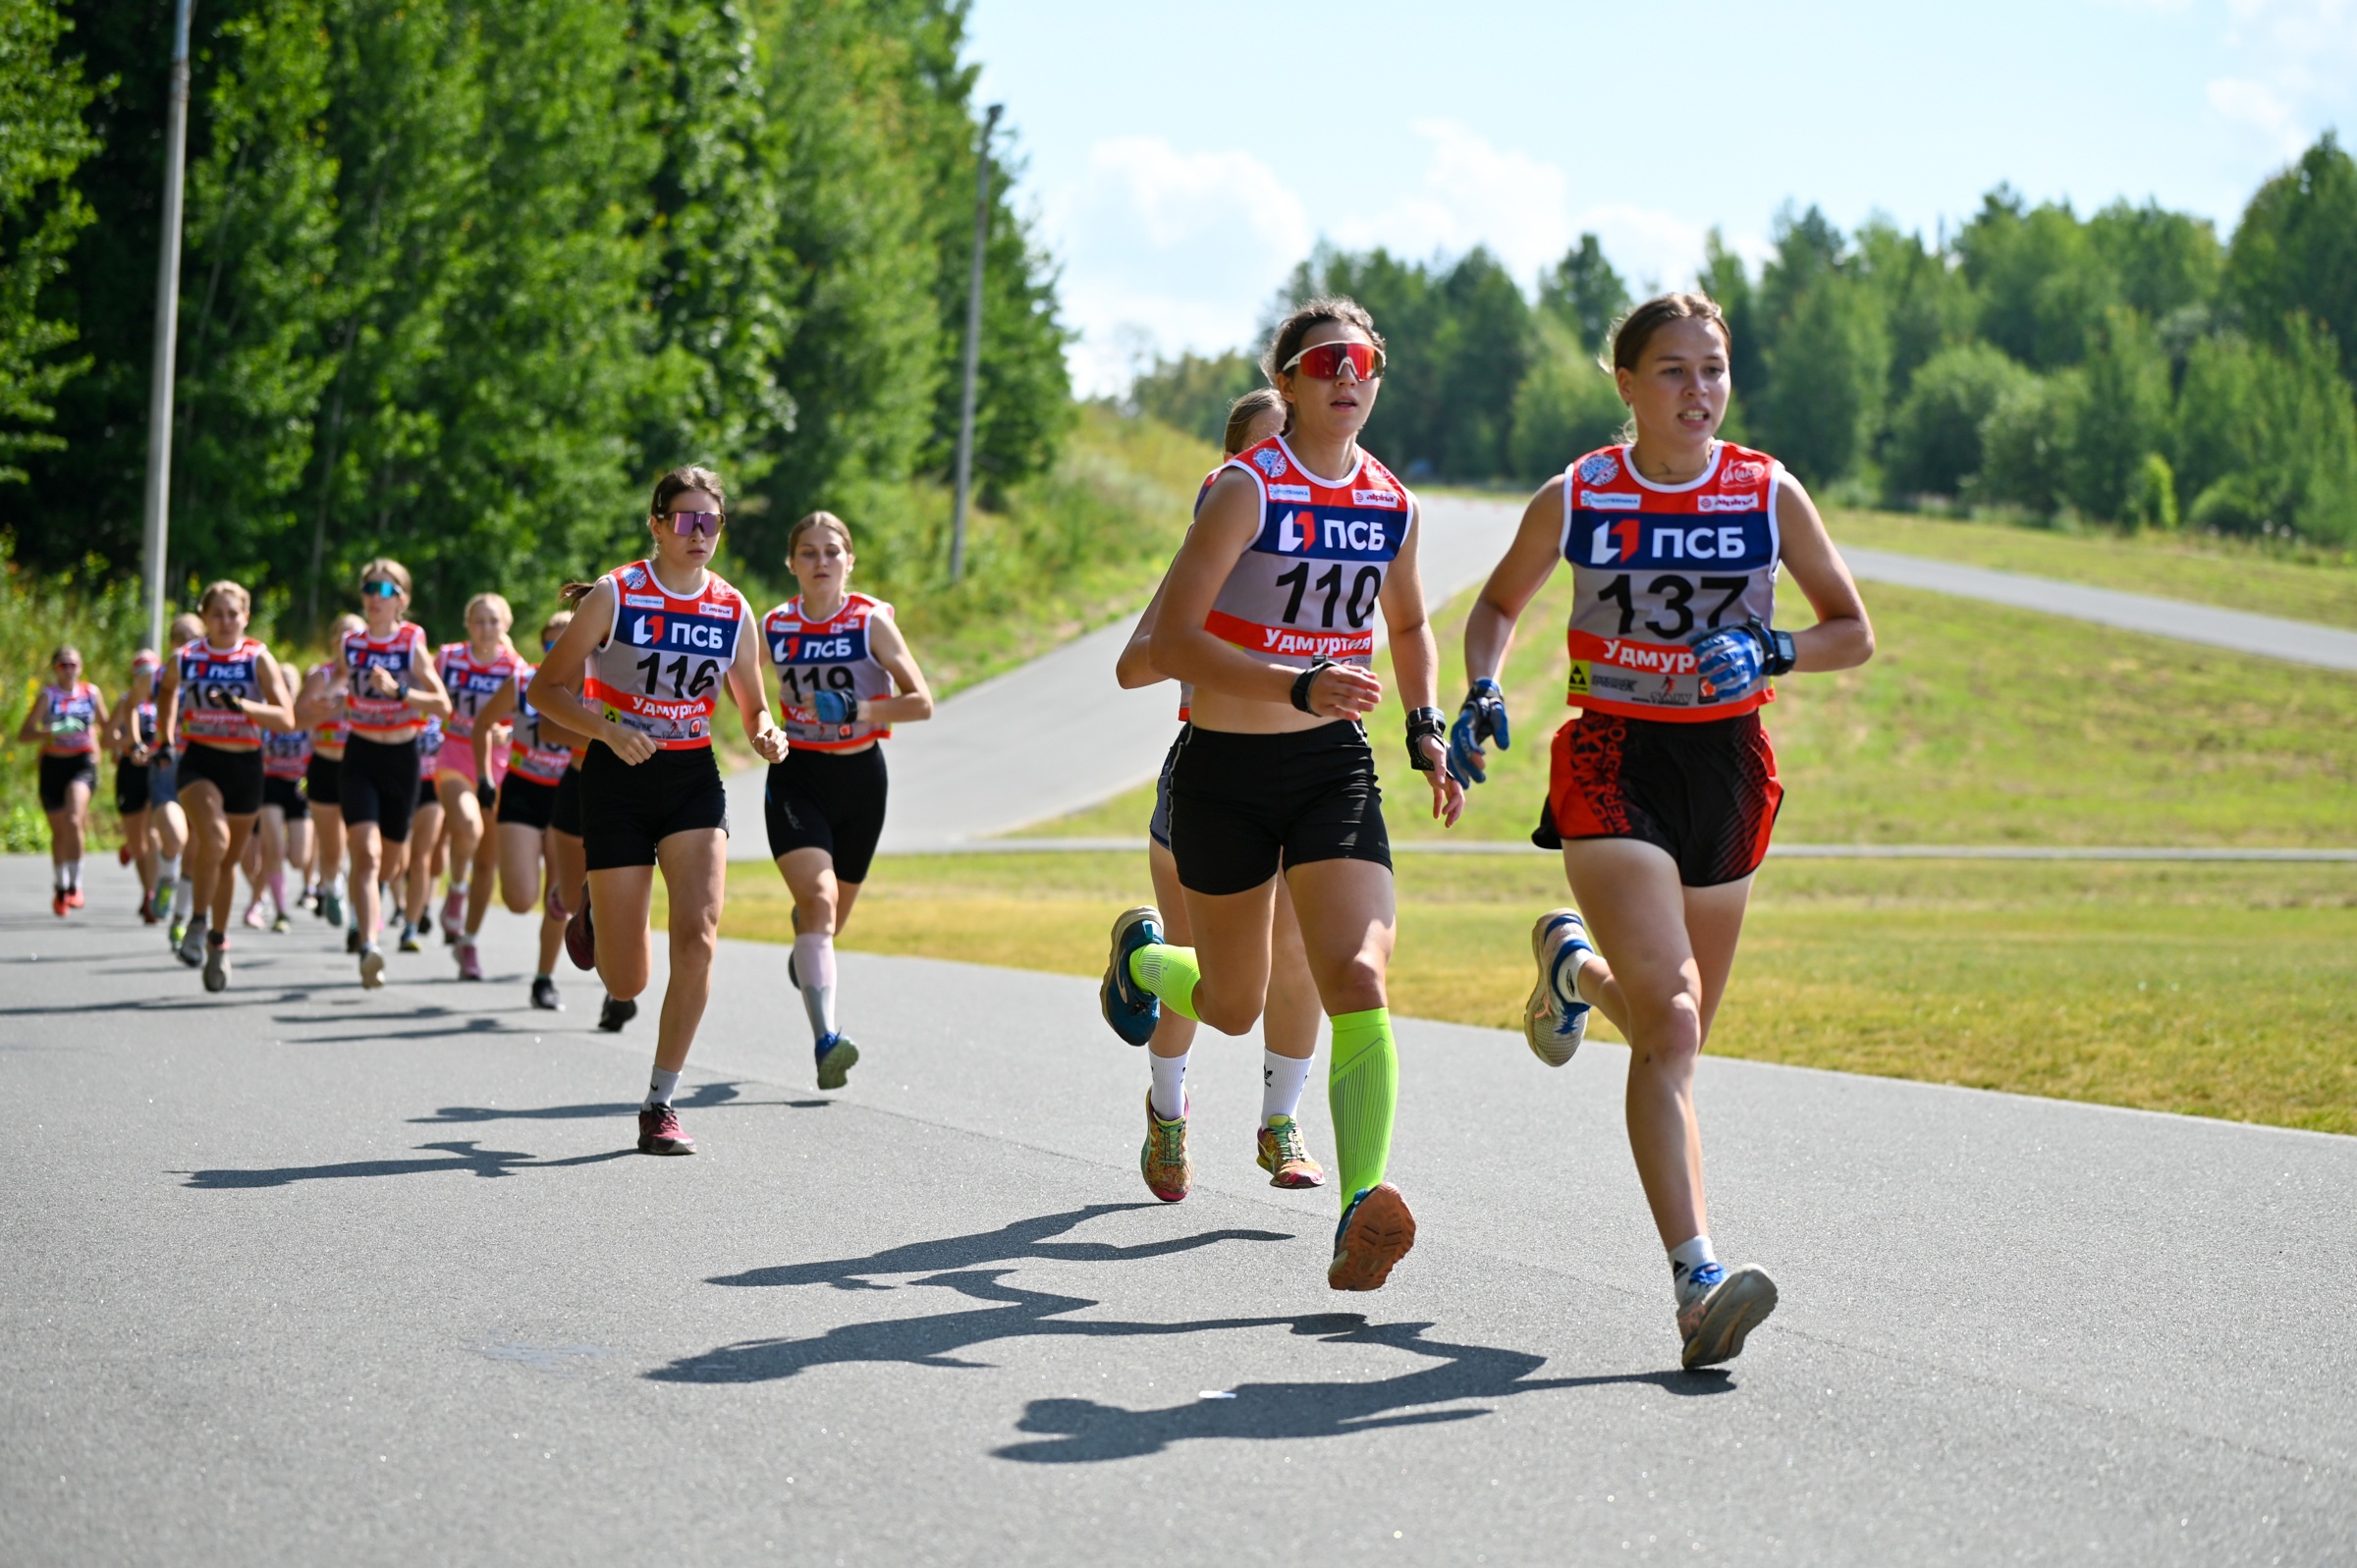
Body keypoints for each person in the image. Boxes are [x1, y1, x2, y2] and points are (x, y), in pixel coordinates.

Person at [1452, 292, 1874, 1370]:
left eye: (1715, 368)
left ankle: (1569, 968)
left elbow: (1850, 632)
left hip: (1727, 765)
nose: (1699, 390)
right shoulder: (1582, 491)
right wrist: (1484, 686)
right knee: (1676, 1023)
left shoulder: (1767, 490)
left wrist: (1774, 652)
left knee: (1662, 1031)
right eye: (1675, 370)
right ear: (1627, 383)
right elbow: (1498, 605)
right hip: (1613, 756)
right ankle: (1697, 1282)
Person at [1099, 298, 1464, 1291]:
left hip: (1332, 769)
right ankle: (1145, 960)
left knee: (1357, 975)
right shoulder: (1243, 490)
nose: (1351, 374)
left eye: (1368, 359)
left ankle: (1360, 1210)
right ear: (1291, 380)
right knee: (1229, 1003)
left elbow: (1413, 623)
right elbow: (1167, 643)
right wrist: (1293, 681)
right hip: (1226, 771)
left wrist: (1426, 727)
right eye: (1327, 360)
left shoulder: (1393, 502)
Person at [530, 465, 789, 1155]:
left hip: (690, 777)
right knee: (627, 977)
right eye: (685, 519)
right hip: (616, 774)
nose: (698, 532)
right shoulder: (617, 595)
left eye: (711, 521)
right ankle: (588, 906)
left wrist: (766, 730)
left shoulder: (733, 608)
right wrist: (607, 729)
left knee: (699, 936)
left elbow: (753, 700)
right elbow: (546, 689)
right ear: (657, 522)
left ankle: (659, 1102)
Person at [1111, 387, 1329, 1200]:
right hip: (1210, 772)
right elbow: (1136, 662)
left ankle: (1281, 1125)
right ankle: (1167, 1111)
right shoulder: (1216, 540)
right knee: (1202, 960)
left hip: (1310, 773)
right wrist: (1224, 645)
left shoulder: (1329, 550)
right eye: (1273, 449)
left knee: (1299, 952)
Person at [757, 511, 935, 1090]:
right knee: (819, 899)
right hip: (797, 777)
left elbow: (920, 702)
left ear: (849, 561)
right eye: (807, 552)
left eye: (832, 551)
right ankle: (826, 1041)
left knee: (828, 921)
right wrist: (761, 724)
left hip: (862, 781)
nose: (821, 562)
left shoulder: (869, 622)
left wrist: (857, 710)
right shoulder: (774, 626)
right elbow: (732, 679)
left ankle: (809, 943)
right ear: (792, 563)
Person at [156, 581, 298, 991]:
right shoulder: (186, 657)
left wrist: (244, 707)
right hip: (200, 760)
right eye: (217, 614)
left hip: (246, 765)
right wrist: (165, 739)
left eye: (233, 614)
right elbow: (166, 691)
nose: (225, 622)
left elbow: (285, 718)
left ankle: (218, 941)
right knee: (213, 840)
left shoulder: (257, 658)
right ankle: (197, 923)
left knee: (228, 860)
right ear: (204, 617)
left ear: (246, 617)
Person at [338, 560, 452, 988]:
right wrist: (323, 698)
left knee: (389, 863)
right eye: (368, 588)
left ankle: (365, 909)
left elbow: (442, 706)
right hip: (360, 756)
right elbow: (336, 687)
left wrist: (399, 691)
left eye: (384, 590)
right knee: (365, 855)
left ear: (401, 599)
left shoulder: (411, 641)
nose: (373, 597)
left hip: (402, 759)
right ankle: (370, 945)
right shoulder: (351, 643)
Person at [466, 610, 586, 1008]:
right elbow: (482, 724)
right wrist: (484, 776)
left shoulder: (595, 684)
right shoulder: (523, 681)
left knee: (562, 898)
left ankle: (543, 978)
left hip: (566, 789)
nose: (560, 649)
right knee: (519, 898)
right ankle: (551, 890)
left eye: (567, 641)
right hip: (523, 788)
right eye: (552, 643)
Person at [432, 594, 522, 981]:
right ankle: (455, 890)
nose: (487, 629)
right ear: (468, 625)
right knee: (468, 827)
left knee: (488, 862)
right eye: (479, 621)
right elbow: (430, 699)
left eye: (494, 622)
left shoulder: (513, 666)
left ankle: (468, 941)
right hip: (454, 757)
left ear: (506, 625)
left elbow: (534, 715)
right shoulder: (449, 657)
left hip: (499, 766)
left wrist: (508, 731)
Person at [19, 645, 109, 917]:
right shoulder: (48, 696)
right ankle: (60, 885)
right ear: (55, 669)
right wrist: (51, 731)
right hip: (53, 765)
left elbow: (109, 724)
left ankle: (76, 885)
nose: (68, 669)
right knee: (59, 832)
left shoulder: (91, 693)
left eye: (73, 664)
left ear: (81, 667)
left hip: (81, 763)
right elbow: (24, 734)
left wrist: (104, 747)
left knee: (73, 819)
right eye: (62, 665)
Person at [294, 615, 365, 936]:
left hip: (361, 766)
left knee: (361, 843)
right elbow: (296, 721)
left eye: (357, 636)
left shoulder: (372, 677)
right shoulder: (319, 677)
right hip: (324, 765)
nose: (349, 643)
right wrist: (338, 708)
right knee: (332, 846)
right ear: (334, 642)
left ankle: (358, 918)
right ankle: (332, 885)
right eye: (343, 637)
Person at [150, 614, 203, 944]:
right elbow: (129, 705)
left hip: (204, 763)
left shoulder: (214, 672)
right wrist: (147, 742)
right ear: (171, 642)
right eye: (180, 636)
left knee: (198, 847)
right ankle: (167, 877)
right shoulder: (160, 674)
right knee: (175, 838)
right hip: (169, 764)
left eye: (193, 636)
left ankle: (181, 917)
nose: (186, 642)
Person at [106, 652, 165, 921]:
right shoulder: (126, 702)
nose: (147, 679)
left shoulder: (165, 700)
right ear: (134, 676)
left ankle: (153, 896)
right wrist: (129, 744)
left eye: (151, 673)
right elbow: (107, 739)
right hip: (131, 771)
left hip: (156, 770)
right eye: (142, 674)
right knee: (138, 839)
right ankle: (148, 889)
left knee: (153, 833)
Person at [247, 719, 313, 932]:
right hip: (270, 784)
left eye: (291, 682)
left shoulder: (309, 714)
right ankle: (280, 911)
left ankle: (258, 899)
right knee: (273, 849)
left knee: (298, 859)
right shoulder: (264, 715)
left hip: (298, 787)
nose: (286, 685)